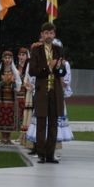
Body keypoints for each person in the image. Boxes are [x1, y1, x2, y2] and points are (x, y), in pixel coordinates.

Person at [30, 23, 67, 163]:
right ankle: (41, 154)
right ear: (42, 34)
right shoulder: (36, 50)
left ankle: (50, 154)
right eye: (46, 33)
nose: (48, 36)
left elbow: (62, 72)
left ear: (54, 34)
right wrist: (48, 67)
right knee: (41, 123)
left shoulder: (59, 50)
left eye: (51, 33)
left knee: (53, 124)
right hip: (41, 91)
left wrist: (59, 68)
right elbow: (32, 71)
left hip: (55, 91)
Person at [0, 50, 21, 145]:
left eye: (9, 58)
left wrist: (12, 82)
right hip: (2, 96)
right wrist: (4, 81)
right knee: (2, 115)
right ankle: (2, 137)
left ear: (12, 59)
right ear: (3, 59)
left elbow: (18, 85)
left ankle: (8, 138)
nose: (7, 60)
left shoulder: (15, 72)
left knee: (10, 116)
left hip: (11, 96)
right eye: (6, 58)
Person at [15, 47, 32, 149]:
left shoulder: (28, 67)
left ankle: (23, 136)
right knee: (19, 115)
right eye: (20, 55)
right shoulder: (16, 67)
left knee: (25, 115)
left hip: (26, 93)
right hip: (18, 94)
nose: (21, 57)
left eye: (23, 55)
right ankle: (21, 135)